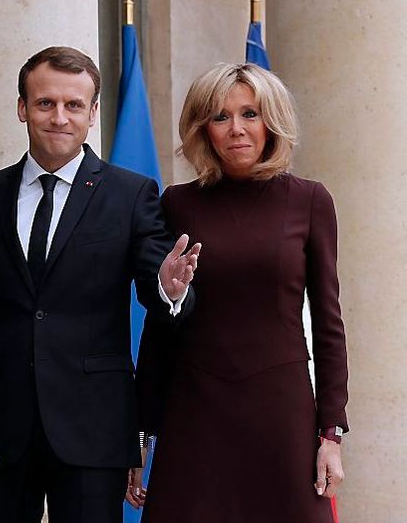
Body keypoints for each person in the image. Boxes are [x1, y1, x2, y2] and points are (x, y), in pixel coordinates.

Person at [0, 46, 200, 523]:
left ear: (93, 114)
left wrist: (170, 286)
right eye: (45, 103)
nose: (59, 117)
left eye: (74, 105)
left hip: (93, 423)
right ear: (22, 108)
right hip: (0, 423)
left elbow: (157, 282)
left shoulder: (131, 193)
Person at [133, 63, 349, 523]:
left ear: (271, 121)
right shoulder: (177, 202)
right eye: (220, 116)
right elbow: (160, 324)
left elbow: (329, 323)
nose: (237, 130)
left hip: (281, 409)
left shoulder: (310, 200)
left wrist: (331, 433)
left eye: (250, 114)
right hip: (195, 408)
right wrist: (142, 432)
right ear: (202, 128)